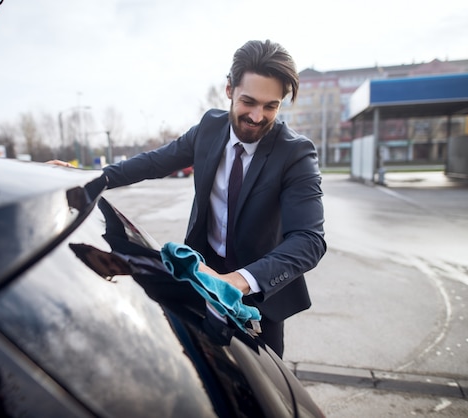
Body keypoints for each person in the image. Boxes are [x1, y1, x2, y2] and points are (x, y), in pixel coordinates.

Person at [56, 39, 326, 358]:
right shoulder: (209, 128)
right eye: (248, 102)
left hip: (260, 295)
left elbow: (309, 239)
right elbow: (155, 162)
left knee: (263, 394)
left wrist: (236, 283)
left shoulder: (295, 153)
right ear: (229, 89)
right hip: (200, 278)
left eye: (271, 106)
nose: (257, 116)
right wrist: (88, 178)